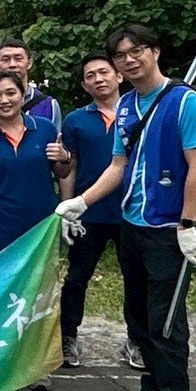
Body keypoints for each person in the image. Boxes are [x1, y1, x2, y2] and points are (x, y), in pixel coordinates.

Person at [56, 24, 196, 391]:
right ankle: (150, 385)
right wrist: (82, 202)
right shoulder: (127, 105)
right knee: (138, 311)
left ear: (155, 52)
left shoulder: (186, 103)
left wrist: (187, 225)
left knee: (165, 320)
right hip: (133, 223)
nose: (128, 59)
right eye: (120, 54)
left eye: (136, 50)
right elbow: (118, 166)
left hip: (168, 229)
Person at [51, 53, 125, 368]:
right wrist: (70, 210)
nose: (98, 79)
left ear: (119, 75)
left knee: (136, 278)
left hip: (131, 212)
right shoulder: (76, 120)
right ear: (84, 84)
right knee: (77, 277)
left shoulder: (139, 113)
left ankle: (137, 339)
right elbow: (70, 166)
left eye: (104, 72)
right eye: (90, 75)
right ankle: (68, 336)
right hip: (89, 212)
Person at [0, 69, 69, 263]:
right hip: (2, 223)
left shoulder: (44, 128)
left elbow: (62, 172)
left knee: (42, 282)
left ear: (22, 95)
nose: (4, 100)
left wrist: (64, 158)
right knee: (4, 282)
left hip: (43, 221)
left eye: (11, 93)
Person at [0, 38, 61, 125]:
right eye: (6, 59)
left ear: (29, 63)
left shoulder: (49, 105)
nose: (12, 65)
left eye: (18, 59)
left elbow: (54, 137)